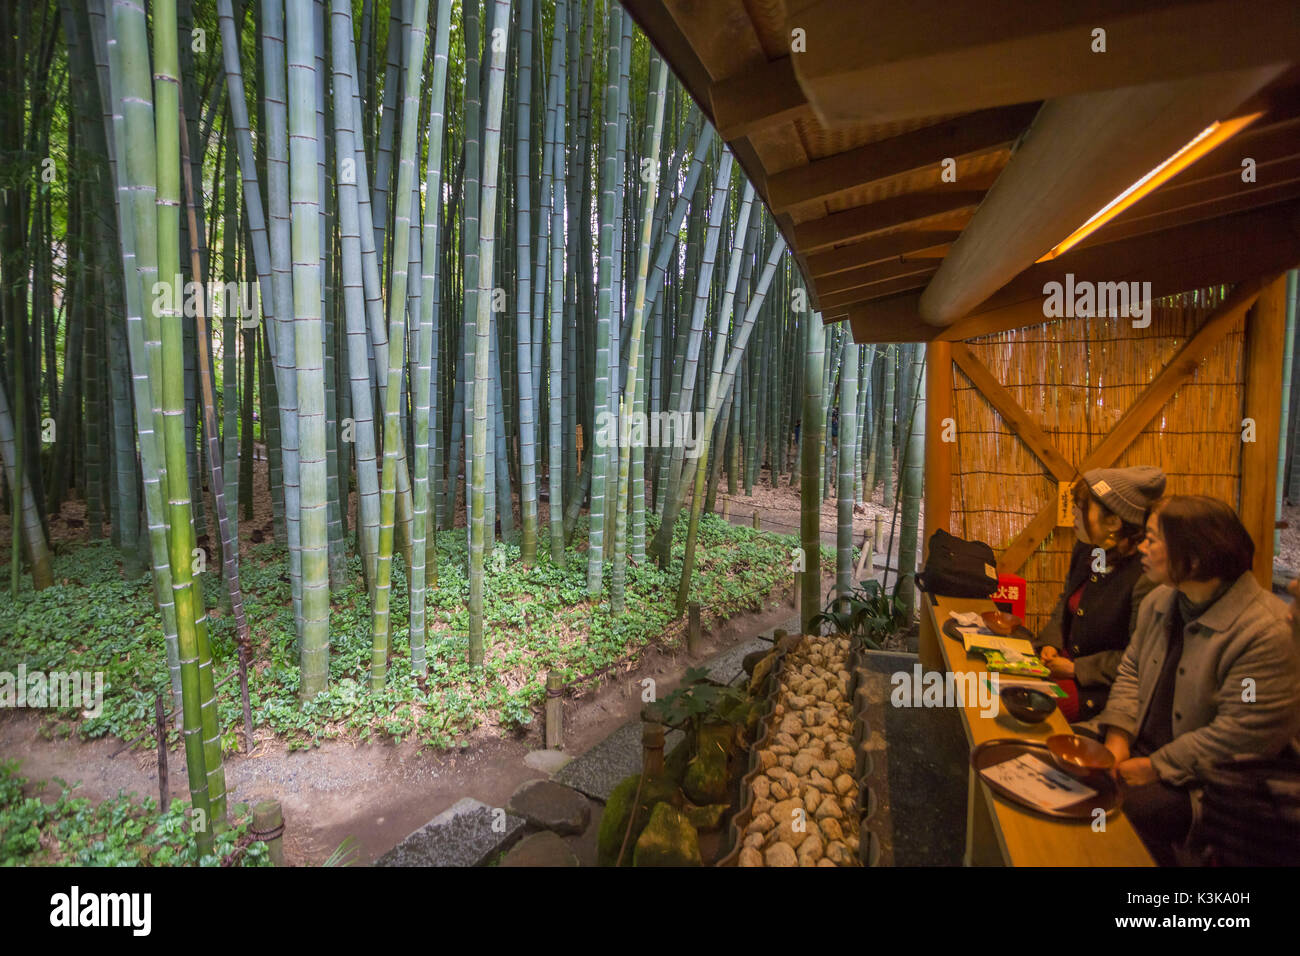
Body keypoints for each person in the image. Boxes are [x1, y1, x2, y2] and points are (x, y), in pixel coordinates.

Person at [1096, 495, 1300, 866]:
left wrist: (1154, 767)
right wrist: (1117, 739)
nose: (1142, 546)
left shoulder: (1264, 630)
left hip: (1202, 784)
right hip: (1137, 754)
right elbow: (1130, 671)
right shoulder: (1159, 601)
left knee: (1105, 811)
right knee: (1055, 765)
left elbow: (1242, 734)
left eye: (1153, 539)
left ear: (1194, 557)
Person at [1033, 466, 1166, 721]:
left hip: (1101, 689)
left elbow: (1141, 657)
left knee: (1035, 709)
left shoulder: (1145, 575)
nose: (1073, 512)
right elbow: (1068, 602)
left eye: (1082, 506)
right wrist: (1051, 642)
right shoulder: (1091, 548)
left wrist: (1077, 669)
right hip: (1063, 663)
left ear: (1114, 522)